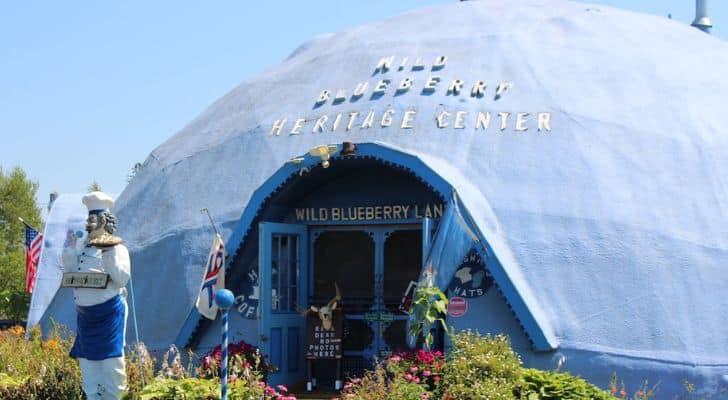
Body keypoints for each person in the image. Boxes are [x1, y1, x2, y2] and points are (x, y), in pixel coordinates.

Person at [62, 192, 130, 399]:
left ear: (105, 222)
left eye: (95, 220)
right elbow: (69, 269)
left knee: (112, 366)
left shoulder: (118, 249)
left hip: (108, 315)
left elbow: (121, 278)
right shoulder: (81, 250)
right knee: (89, 368)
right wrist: (70, 247)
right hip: (86, 317)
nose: (90, 225)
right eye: (89, 220)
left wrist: (108, 251)